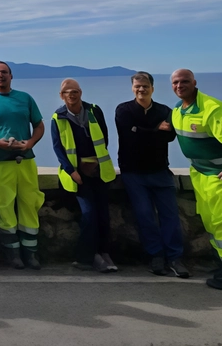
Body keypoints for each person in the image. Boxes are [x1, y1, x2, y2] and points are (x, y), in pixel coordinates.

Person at [0, 61, 45, 270]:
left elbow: (39, 125)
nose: (0, 76)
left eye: (4, 72)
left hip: (26, 160)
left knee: (30, 204)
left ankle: (30, 254)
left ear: (11, 76)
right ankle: (13, 255)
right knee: (4, 207)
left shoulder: (25, 98)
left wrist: (30, 143)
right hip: (0, 162)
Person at [115, 72, 188, 277]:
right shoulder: (123, 110)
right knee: (145, 216)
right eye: (137, 86)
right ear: (132, 88)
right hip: (133, 173)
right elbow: (129, 136)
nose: (141, 89)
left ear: (152, 88)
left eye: (145, 86)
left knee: (170, 217)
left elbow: (171, 136)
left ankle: (174, 257)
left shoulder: (165, 110)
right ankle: (155, 256)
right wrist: (156, 131)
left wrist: (143, 131)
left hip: (160, 171)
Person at [50, 79, 116, 273]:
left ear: (81, 93)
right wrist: (73, 171)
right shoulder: (58, 117)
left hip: (99, 171)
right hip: (77, 175)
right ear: (62, 96)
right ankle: (87, 256)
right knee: (89, 215)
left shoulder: (94, 110)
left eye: (75, 91)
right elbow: (58, 148)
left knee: (104, 215)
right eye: (67, 92)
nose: (72, 95)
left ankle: (104, 253)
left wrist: (95, 162)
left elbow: (104, 137)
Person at [170, 69, 222, 290]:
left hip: (217, 177)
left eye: (184, 81)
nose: (180, 85)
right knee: (211, 224)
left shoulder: (211, 108)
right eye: (175, 82)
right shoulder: (176, 111)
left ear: (194, 83)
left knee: (221, 225)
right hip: (200, 175)